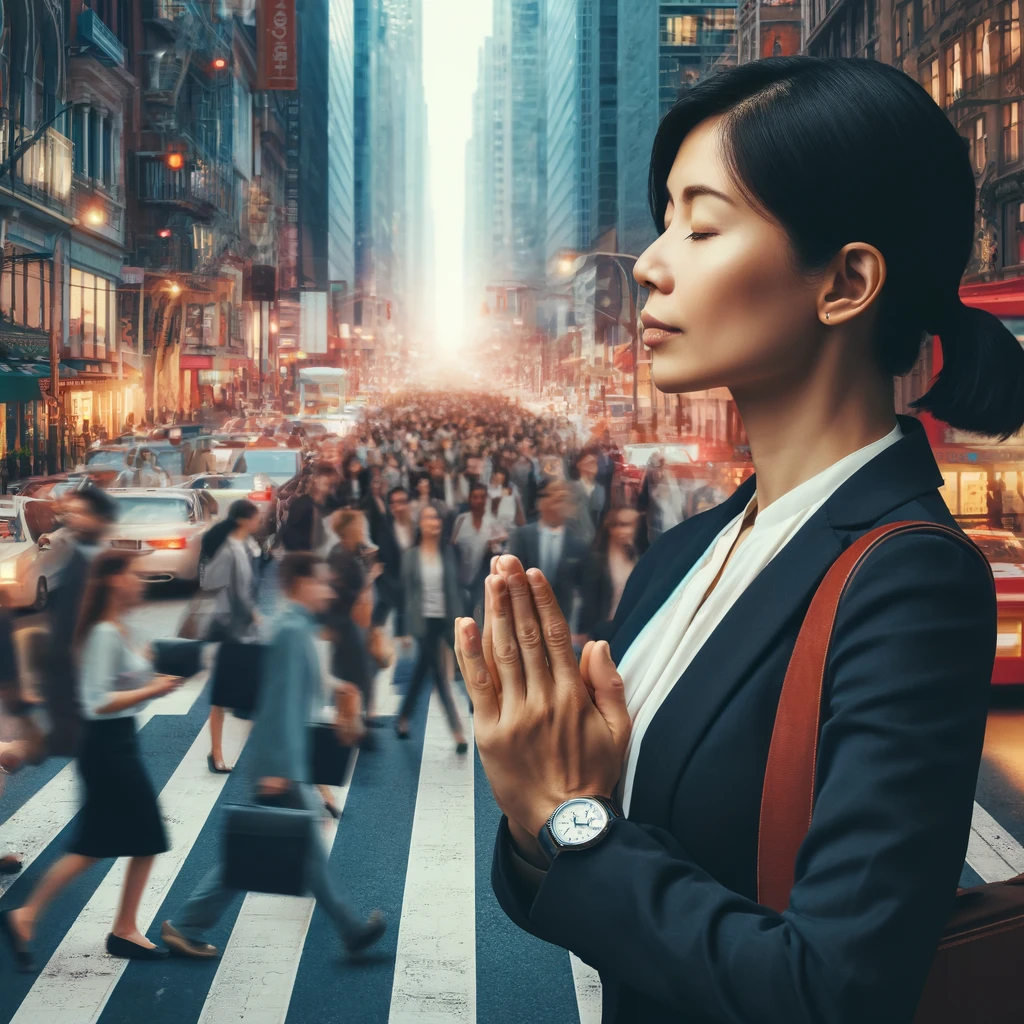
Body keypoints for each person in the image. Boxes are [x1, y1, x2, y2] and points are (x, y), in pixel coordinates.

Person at [456, 57, 1023, 1024]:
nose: (649, 260)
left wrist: (570, 819)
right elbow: (567, 882)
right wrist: (539, 814)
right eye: (664, 218)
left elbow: (831, 990)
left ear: (846, 281)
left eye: (702, 224)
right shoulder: (688, 552)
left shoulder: (912, 578)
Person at [161, 552, 386, 960]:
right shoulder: (288, 630)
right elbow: (279, 700)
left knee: (288, 846)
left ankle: (188, 924)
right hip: (279, 761)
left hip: (285, 758)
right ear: (299, 584)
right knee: (262, 851)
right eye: (320, 581)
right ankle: (186, 924)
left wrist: (338, 687)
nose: (327, 589)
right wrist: (278, 770)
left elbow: (302, 680)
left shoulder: (297, 627)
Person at [1, 552, 183, 971]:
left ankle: (117, 928)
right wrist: (150, 692)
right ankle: (42, 919)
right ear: (113, 582)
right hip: (107, 748)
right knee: (111, 842)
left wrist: (154, 677)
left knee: (130, 840)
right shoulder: (103, 632)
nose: (140, 582)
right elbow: (96, 701)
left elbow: (115, 683)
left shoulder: (118, 628)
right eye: (132, 575)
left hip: (115, 745)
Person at [44, 486, 119, 757]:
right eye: (71, 513)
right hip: (84, 692)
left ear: (102, 519)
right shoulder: (77, 559)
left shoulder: (101, 559)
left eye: (81, 513)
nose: (73, 519)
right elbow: (65, 630)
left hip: (99, 688)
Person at [395, 505, 468, 753]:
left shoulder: (449, 552)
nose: (432, 522)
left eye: (436, 518)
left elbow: (457, 586)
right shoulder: (410, 556)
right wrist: (402, 628)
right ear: (421, 525)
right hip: (422, 622)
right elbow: (405, 595)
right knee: (438, 672)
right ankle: (457, 731)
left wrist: (462, 618)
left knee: (421, 672)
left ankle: (403, 718)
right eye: (427, 518)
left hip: (446, 619)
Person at [203, 500, 263, 773]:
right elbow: (213, 583)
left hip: (245, 632)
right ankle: (216, 752)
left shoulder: (249, 546)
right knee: (222, 695)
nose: (259, 521)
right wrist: (250, 612)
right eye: (255, 518)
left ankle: (259, 754)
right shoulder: (230, 550)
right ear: (243, 520)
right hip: (231, 631)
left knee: (252, 694)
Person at [506, 479, 588, 638]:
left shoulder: (578, 544)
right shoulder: (522, 537)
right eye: (554, 497)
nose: (558, 504)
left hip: (562, 621)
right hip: (525, 617)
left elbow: (586, 589)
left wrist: (582, 630)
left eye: (563, 499)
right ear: (541, 502)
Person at [579, 506, 641, 641]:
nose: (627, 530)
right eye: (622, 525)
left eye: (631, 525)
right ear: (610, 528)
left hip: (629, 627)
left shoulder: (636, 556)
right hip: (604, 628)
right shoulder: (597, 559)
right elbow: (589, 600)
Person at [450, 482, 507, 621]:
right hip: (461, 575)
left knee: (479, 614)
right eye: (475, 497)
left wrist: (493, 544)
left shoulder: (492, 522)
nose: (478, 500)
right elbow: (452, 543)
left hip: (480, 578)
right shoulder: (461, 520)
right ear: (470, 499)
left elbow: (503, 540)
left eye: (482, 497)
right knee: (462, 616)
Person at [280, 463, 338, 552]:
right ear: (315, 484)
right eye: (326, 484)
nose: (330, 488)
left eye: (332, 485)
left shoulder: (334, 504)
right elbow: (289, 531)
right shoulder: (302, 504)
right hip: (306, 554)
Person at [568, 448, 608, 545]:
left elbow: (599, 513)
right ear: (579, 464)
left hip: (593, 540)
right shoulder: (571, 487)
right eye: (589, 462)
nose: (592, 465)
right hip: (573, 539)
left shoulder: (600, 489)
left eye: (595, 462)